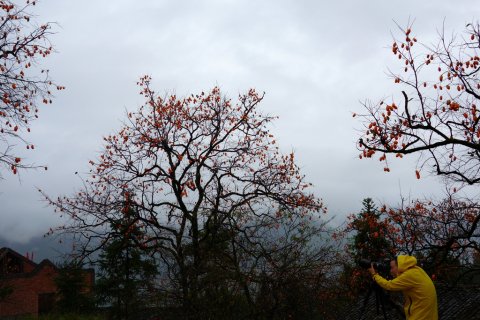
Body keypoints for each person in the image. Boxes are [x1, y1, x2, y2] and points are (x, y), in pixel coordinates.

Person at [368, 255, 438, 320]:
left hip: (421, 316)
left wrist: (374, 275)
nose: (391, 271)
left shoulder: (408, 275)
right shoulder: (416, 269)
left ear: (400, 266)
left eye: (392, 268)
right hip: (428, 315)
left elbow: (389, 285)